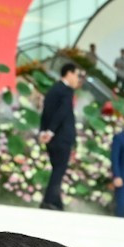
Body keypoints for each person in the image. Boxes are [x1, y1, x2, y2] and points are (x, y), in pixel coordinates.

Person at [37, 63, 81, 210]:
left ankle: (56, 202)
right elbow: (61, 113)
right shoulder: (66, 91)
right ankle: (48, 201)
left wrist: (43, 131)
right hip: (61, 137)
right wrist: (50, 131)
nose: (77, 79)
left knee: (57, 168)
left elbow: (46, 112)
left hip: (53, 137)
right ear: (69, 73)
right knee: (59, 170)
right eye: (76, 75)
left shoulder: (53, 89)